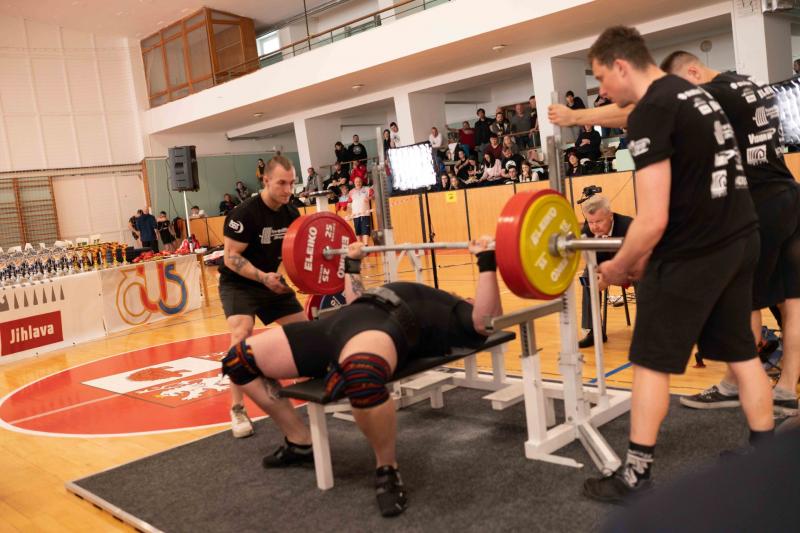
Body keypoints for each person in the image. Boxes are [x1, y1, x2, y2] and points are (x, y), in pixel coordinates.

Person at [581, 26, 773, 504]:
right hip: (741, 237)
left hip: (697, 250)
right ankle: (767, 462)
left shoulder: (652, 109)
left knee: (650, 362)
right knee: (743, 354)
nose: (601, 90)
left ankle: (635, 476)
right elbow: (690, 186)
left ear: (621, 65)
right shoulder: (694, 93)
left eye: (601, 78)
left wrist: (618, 266)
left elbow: (651, 219)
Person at [219, 238, 501, 517]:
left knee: (361, 377)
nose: (473, 298)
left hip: (383, 328)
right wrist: (352, 264)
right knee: (238, 360)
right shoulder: (425, 294)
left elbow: (487, 321)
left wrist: (486, 260)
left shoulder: (456, 313)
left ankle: (387, 469)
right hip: (337, 324)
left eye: (475, 299)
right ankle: (300, 441)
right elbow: (354, 299)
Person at [656, 52, 800, 417]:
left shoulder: (716, 93)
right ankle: (786, 390)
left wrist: (579, 118)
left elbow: (650, 112)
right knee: (793, 302)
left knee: (743, 300)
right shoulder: (749, 84)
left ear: (693, 71)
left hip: (760, 205)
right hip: (789, 196)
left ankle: (734, 384)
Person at [218, 155, 307, 439]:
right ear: (266, 180)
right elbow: (231, 258)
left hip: (270, 282)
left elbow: (293, 254)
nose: (288, 190)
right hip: (239, 283)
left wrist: (296, 279)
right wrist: (263, 277)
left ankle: (308, 386)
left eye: (292, 183)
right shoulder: (243, 214)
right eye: (282, 183)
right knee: (241, 334)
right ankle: (237, 409)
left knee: (306, 332)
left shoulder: (291, 213)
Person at [576, 195, 633, 348]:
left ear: (610, 215)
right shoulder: (587, 232)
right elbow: (593, 261)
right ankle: (594, 332)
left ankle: (647, 329)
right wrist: (596, 275)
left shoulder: (629, 226)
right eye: (590, 222)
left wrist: (608, 277)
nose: (594, 227)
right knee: (587, 277)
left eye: (599, 221)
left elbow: (636, 260)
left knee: (645, 278)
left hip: (632, 269)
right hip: (607, 270)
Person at [348, 176, 374, 246]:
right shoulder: (351, 192)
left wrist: (369, 198)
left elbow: (374, 195)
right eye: (356, 182)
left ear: (362, 182)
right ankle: (360, 246)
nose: (358, 183)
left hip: (365, 214)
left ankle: (366, 245)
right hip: (355, 215)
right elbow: (349, 203)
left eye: (359, 181)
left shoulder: (367, 189)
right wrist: (350, 214)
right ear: (354, 183)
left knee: (365, 231)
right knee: (358, 232)